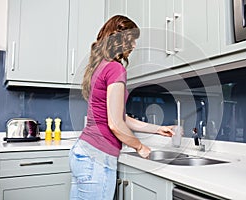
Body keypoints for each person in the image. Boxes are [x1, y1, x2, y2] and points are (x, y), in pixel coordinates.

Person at [69, 15, 174, 200]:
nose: (134, 46)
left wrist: (158, 129)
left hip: (83, 152)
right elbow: (115, 124)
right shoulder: (116, 69)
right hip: (97, 158)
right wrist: (139, 146)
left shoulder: (100, 67)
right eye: (132, 40)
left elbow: (121, 118)